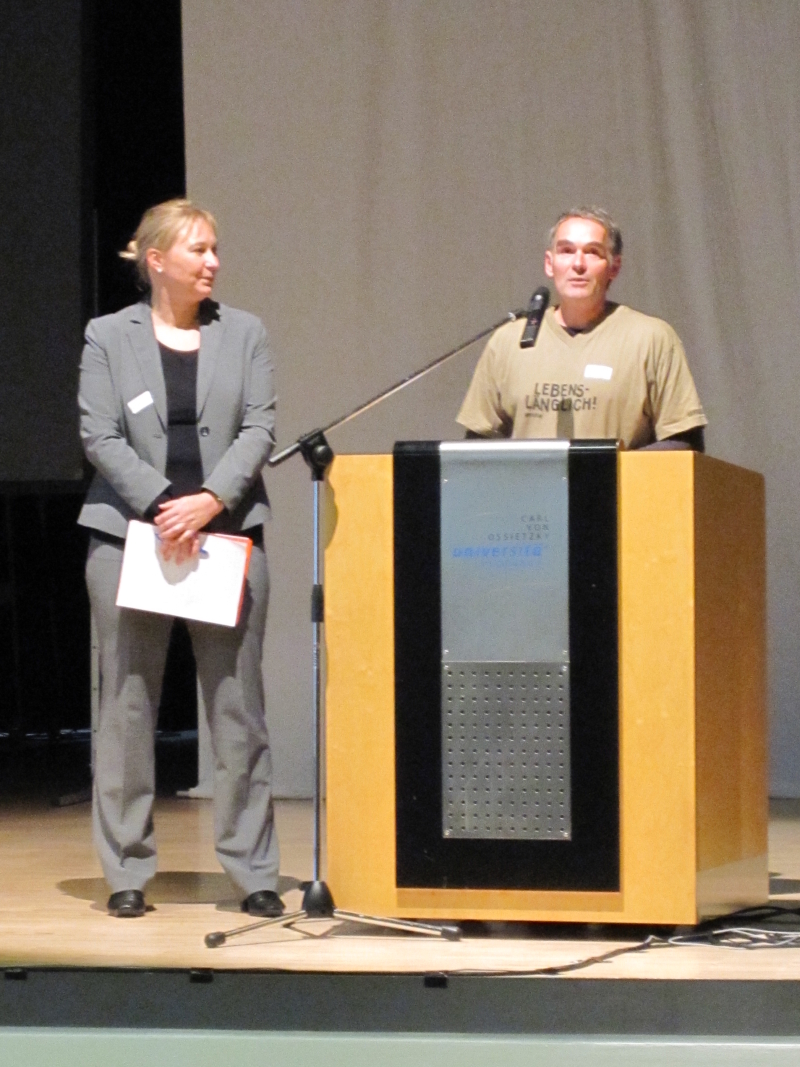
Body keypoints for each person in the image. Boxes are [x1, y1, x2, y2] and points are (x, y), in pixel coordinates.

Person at [78, 199, 282, 919]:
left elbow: (260, 426)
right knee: (126, 707)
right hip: (131, 538)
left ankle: (253, 870)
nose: (213, 261)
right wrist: (167, 503)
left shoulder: (245, 332)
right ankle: (127, 869)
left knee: (238, 710)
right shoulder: (108, 336)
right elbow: (99, 435)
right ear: (156, 260)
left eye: (215, 248)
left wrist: (210, 500)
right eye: (198, 249)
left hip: (227, 536)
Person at [457, 206, 707, 449]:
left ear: (614, 267)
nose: (578, 264)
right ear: (549, 263)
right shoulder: (508, 340)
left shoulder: (651, 338)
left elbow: (685, 441)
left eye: (592, 252)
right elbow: (476, 443)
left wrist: (607, 468)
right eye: (566, 251)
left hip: (618, 480)